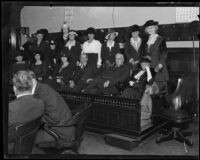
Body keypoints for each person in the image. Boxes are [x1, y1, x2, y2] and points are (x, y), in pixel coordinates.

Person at [27, 70, 75, 144]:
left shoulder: (43, 92)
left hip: (60, 131)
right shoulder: (42, 87)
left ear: (33, 80)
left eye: (24, 82)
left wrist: (34, 117)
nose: (22, 85)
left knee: (27, 139)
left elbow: (54, 118)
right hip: (63, 124)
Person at [8, 71, 44, 153]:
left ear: (14, 88)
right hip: (29, 143)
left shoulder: (11, 108)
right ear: (31, 86)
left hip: (12, 147)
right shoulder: (40, 103)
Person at [143, 20, 169, 93]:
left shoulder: (161, 39)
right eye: (148, 28)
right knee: (150, 88)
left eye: (152, 28)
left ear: (155, 28)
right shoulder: (147, 40)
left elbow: (164, 53)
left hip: (158, 65)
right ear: (146, 30)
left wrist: (160, 64)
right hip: (149, 66)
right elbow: (146, 53)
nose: (150, 29)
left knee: (159, 88)